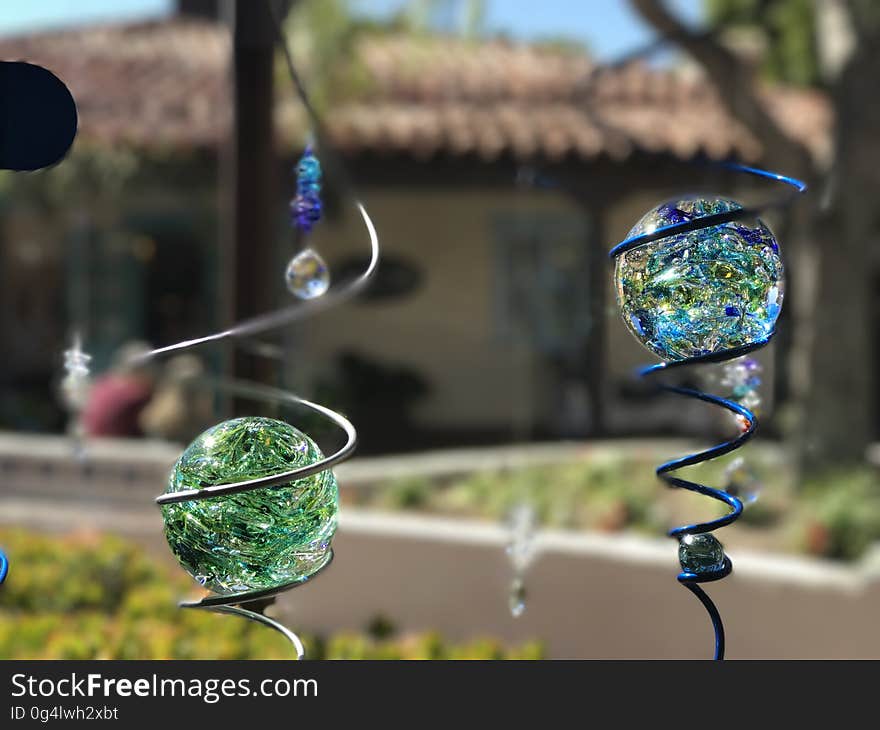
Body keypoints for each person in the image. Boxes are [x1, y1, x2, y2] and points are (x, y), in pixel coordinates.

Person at [81, 341, 156, 438]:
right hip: (117, 447)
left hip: (92, 442)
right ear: (144, 369)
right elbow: (153, 426)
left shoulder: (102, 383)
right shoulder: (137, 394)